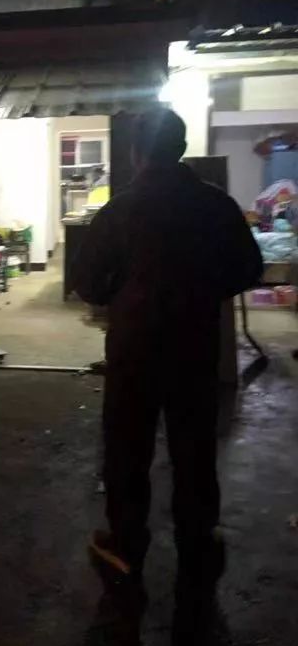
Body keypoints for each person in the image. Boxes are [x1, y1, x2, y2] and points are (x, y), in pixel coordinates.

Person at [73, 107, 263, 585]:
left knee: (127, 446)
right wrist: (203, 290)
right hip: (194, 345)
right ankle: (197, 540)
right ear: (180, 148)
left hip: (134, 348)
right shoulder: (215, 205)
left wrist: (125, 293)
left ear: (136, 153)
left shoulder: (118, 211)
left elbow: (88, 284)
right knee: (194, 445)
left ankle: (126, 543)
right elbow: (249, 268)